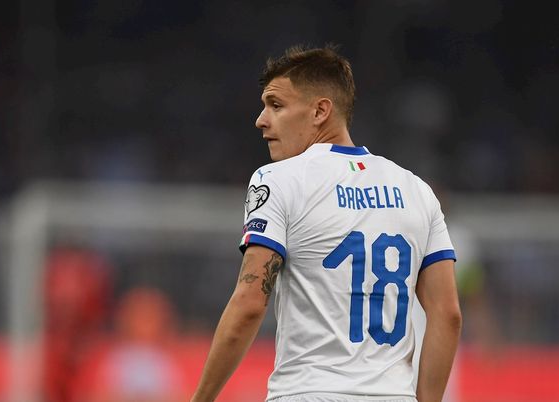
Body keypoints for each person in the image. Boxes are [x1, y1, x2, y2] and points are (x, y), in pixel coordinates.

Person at [190, 45, 462, 402]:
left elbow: (249, 304)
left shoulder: (277, 179)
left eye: (276, 105)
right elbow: (447, 314)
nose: (261, 120)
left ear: (320, 111)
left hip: (309, 391)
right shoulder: (416, 190)